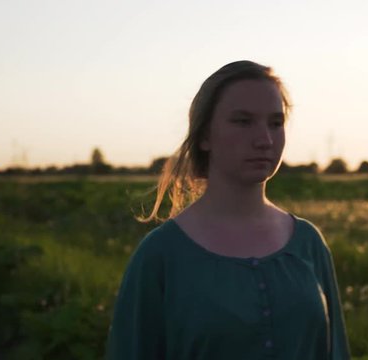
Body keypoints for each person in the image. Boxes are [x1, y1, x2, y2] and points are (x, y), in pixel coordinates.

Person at [107, 60, 350, 359]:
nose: (265, 140)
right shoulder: (160, 255)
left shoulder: (308, 243)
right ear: (205, 136)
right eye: (243, 121)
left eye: (276, 123)